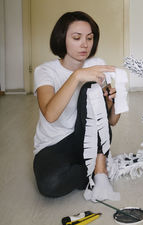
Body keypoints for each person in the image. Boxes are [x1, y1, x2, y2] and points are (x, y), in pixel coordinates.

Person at [33, 11, 120, 201]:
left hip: (86, 136)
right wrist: (76, 76)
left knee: (90, 87)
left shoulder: (97, 64)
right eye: (76, 38)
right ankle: (94, 167)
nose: (85, 44)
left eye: (89, 38)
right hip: (53, 144)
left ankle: (100, 173)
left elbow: (111, 121)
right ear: (62, 39)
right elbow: (50, 114)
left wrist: (112, 102)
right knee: (50, 184)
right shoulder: (45, 71)